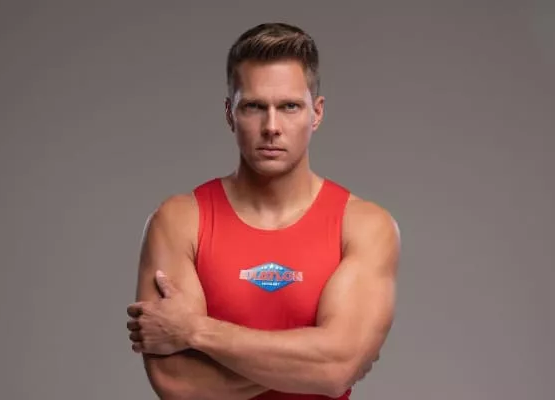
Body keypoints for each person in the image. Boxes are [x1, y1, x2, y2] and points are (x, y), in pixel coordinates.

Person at [126, 22, 401, 399]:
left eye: (290, 106)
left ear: (316, 113)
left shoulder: (363, 226)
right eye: (254, 107)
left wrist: (195, 331)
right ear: (230, 113)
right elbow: (179, 385)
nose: (272, 127)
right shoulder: (179, 221)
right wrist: (318, 359)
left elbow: (337, 368)